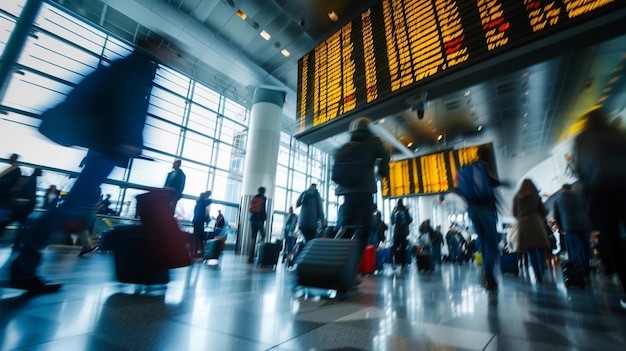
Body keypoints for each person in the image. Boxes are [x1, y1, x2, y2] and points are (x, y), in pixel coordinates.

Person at [10, 39, 159, 293]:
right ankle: (23, 267)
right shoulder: (136, 68)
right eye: (166, 49)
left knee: (72, 206)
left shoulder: (131, 66)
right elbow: (125, 107)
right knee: (70, 207)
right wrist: (128, 141)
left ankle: (24, 264)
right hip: (106, 149)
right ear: (153, 47)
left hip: (101, 148)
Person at [573, 108, 626, 309]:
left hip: (601, 193)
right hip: (624, 188)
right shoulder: (616, 132)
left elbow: (579, 168)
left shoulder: (582, 138)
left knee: (611, 239)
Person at [334, 117, 389, 249]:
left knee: (346, 226)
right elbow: (385, 155)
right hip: (365, 190)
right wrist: (382, 171)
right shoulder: (374, 141)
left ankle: (336, 259)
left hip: (347, 192)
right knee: (365, 227)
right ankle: (356, 260)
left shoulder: (348, 144)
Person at [458, 147, 506, 292]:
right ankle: (489, 276)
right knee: (491, 244)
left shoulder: (467, 169)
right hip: (485, 210)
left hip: (472, 211)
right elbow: (495, 184)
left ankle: (487, 271)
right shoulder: (484, 168)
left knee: (484, 243)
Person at [512, 179, 551, 283]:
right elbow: (543, 210)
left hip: (524, 225)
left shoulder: (516, 197)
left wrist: (521, 217)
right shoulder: (535, 195)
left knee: (531, 251)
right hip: (536, 223)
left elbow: (514, 213)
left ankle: (537, 275)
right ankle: (542, 272)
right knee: (541, 248)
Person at [553, 183, 592, 278]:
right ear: (571, 188)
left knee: (574, 249)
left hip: (569, 226)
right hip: (584, 225)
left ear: (562, 189)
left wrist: (561, 228)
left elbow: (556, 216)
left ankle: (578, 271)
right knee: (586, 248)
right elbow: (587, 209)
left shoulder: (558, 200)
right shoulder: (580, 196)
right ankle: (587, 271)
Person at [247, 186, 267, 264]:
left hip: (253, 219)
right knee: (263, 235)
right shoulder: (263, 198)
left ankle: (250, 257)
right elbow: (263, 209)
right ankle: (260, 253)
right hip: (259, 220)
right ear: (264, 191)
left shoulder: (255, 197)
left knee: (253, 237)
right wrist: (265, 217)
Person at [391, 199, 412, 269]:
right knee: (403, 248)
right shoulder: (405, 210)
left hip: (396, 232)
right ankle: (403, 264)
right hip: (403, 233)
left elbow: (392, 221)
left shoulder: (395, 210)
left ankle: (392, 261)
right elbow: (410, 220)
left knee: (394, 247)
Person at [192, 191, 212, 258]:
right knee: (201, 237)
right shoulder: (203, 202)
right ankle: (202, 251)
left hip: (195, 221)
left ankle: (194, 250)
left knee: (196, 236)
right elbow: (210, 201)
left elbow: (195, 212)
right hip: (200, 221)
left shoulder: (197, 203)